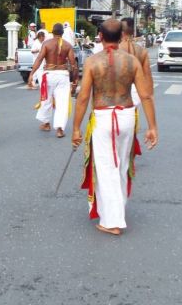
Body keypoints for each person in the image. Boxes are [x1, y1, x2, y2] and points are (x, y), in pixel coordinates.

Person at [72, 19, 157, 236]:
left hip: (103, 117)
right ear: (121, 37)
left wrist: (76, 128)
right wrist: (152, 127)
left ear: (100, 36)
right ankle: (117, 209)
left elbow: (83, 98)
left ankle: (112, 221)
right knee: (120, 165)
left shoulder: (92, 62)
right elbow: (146, 94)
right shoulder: (131, 61)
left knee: (106, 167)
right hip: (127, 116)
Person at [28, 23, 78, 138]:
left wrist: (32, 74)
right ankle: (60, 129)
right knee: (62, 102)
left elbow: (39, 59)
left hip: (48, 75)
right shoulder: (67, 45)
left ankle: (46, 123)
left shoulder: (46, 44)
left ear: (52, 32)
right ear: (62, 33)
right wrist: (74, 81)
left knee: (46, 99)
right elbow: (73, 65)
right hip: (62, 75)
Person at [120, 18, 153, 107]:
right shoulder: (142, 51)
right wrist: (149, 98)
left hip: (116, 94)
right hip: (135, 92)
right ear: (133, 31)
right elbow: (148, 78)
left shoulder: (114, 49)